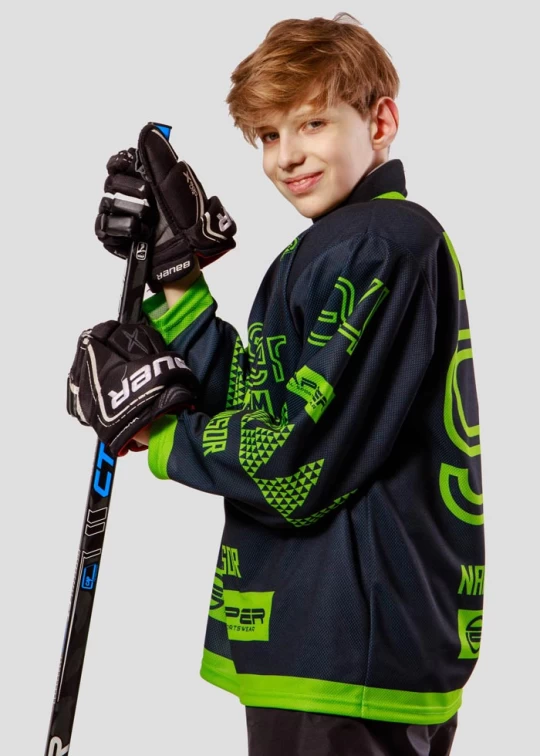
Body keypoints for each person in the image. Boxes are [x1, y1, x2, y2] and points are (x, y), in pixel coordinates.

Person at [67, 12, 485, 756]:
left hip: (348, 647)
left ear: (379, 121)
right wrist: (177, 277)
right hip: (332, 640)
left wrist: (158, 431)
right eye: (267, 135)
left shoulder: (383, 243)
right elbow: (264, 403)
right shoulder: (334, 246)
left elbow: (296, 461)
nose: (287, 155)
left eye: (313, 123)